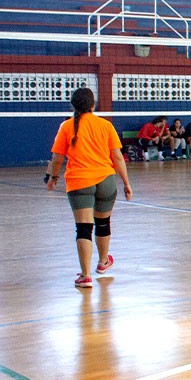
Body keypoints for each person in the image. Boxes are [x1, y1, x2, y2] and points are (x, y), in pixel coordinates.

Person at [45, 88, 132, 288]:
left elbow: (57, 158)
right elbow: (118, 157)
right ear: (93, 105)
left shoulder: (66, 126)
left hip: (80, 181)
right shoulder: (105, 125)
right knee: (103, 224)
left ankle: (85, 276)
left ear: (73, 105)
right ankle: (102, 263)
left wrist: (52, 177)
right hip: (106, 181)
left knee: (84, 228)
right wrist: (126, 183)